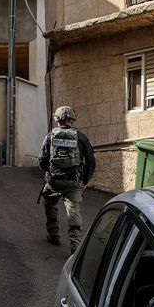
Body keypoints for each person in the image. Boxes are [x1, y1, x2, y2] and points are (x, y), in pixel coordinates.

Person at [38, 106, 95, 253]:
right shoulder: (81, 138)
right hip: (73, 182)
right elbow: (90, 161)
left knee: (50, 205)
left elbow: (42, 159)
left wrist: (48, 172)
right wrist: (85, 180)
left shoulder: (50, 136)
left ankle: (54, 235)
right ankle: (75, 246)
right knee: (74, 212)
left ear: (57, 120)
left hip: (54, 181)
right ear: (72, 120)